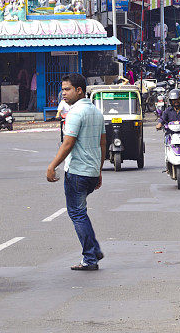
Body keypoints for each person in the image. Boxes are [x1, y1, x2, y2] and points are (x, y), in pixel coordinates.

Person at [46, 73, 106, 271]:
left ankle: (90, 257)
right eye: (62, 89)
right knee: (80, 212)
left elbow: (68, 143)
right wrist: (98, 169)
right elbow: (102, 142)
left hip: (78, 171)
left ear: (79, 90)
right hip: (90, 171)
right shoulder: (96, 112)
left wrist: (52, 165)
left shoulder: (75, 113)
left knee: (77, 213)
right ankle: (94, 249)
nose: (63, 93)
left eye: (67, 89)